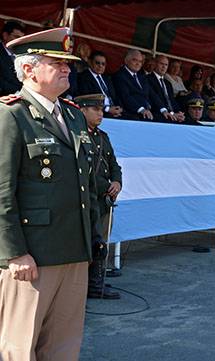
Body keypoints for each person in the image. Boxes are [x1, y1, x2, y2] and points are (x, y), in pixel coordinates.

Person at [0, 27, 103, 361]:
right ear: (28, 70)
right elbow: (2, 192)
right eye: (56, 62)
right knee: (20, 345)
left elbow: (82, 185)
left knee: (63, 346)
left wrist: (91, 241)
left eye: (68, 64)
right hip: (32, 256)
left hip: (73, 249)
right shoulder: (11, 115)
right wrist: (14, 252)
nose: (66, 69)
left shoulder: (72, 115)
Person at [75, 94, 122, 299]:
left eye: (102, 110)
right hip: (87, 200)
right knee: (86, 243)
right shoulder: (75, 134)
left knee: (101, 242)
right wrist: (106, 185)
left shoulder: (102, 137)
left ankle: (96, 284)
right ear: (82, 110)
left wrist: (117, 182)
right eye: (96, 109)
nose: (100, 114)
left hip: (103, 201)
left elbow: (114, 165)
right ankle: (82, 285)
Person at [77, 50, 122, 118]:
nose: (100, 66)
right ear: (90, 62)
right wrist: (107, 109)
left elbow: (115, 95)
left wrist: (119, 108)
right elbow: (88, 98)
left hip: (114, 112)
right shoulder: (83, 77)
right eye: (97, 63)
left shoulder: (107, 78)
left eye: (103, 64)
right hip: (97, 113)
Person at [112, 49, 155, 120]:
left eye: (140, 61)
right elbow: (126, 97)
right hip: (132, 113)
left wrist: (164, 110)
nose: (138, 63)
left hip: (147, 111)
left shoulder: (142, 77)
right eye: (135, 60)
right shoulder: (120, 76)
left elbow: (153, 95)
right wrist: (141, 110)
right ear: (126, 60)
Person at [147, 54, 185, 123]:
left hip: (171, 115)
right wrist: (172, 114)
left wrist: (179, 112)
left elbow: (171, 100)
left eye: (166, 65)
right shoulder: (148, 79)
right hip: (159, 114)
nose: (164, 67)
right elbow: (154, 100)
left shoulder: (168, 83)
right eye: (161, 64)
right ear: (155, 64)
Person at [0, 21, 25, 96]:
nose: (20, 41)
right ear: (5, 35)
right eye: (16, 37)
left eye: (22, 38)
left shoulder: (23, 54)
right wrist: (18, 92)